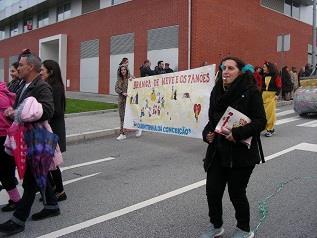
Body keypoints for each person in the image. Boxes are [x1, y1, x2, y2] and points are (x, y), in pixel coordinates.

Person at [200, 56, 266, 238]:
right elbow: (212, 121)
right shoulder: (216, 91)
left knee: (236, 192)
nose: (225, 72)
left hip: (241, 153)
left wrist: (236, 134)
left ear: (240, 72)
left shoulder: (250, 91)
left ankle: (243, 229)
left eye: (230, 68)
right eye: (223, 68)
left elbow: (261, 122)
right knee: (212, 191)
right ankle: (216, 226)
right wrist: (207, 134)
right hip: (217, 152)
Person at [0, 52, 59, 236]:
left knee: (31, 179)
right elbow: (21, 109)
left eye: (22, 65)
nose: (18, 68)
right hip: (25, 137)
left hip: (36, 138)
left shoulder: (41, 87)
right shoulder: (23, 86)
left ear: (31, 67)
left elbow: (48, 110)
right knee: (37, 173)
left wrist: (22, 114)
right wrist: (14, 111)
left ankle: (18, 220)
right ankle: (52, 205)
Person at [40, 60, 67, 201]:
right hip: (51, 127)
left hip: (54, 129)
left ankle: (60, 191)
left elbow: (57, 111)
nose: (40, 72)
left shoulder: (55, 87)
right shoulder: (50, 86)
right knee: (48, 161)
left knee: (52, 162)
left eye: (42, 70)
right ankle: (54, 189)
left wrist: (41, 112)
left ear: (50, 72)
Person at [0, 82, 21, 212]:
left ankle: (16, 200)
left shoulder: (1, 96)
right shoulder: (4, 92)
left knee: (4, 171)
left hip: (2, 136)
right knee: (6, 170)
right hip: (5, 136)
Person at [115, 65, 142, 140]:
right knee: (122, 117)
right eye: (121, 70)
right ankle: (122, 133)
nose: (123, 71)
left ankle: (138, 128)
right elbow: (116, 88)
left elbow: (137, 86)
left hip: (130, 101)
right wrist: (121, 92)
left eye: (124, 70)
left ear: (127, 70)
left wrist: (132, 80)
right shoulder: (119, 79)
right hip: (121, 100)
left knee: (132, 116)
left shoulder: (131, 77)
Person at [261, 61, 282, 137]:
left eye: (264, 67)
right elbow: (262, 87)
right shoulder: (264, 75)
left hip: (271, 96)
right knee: (263, 113)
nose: (263, 68)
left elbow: (279, 85)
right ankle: (265, 127)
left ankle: (270, 129)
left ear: (268, 68)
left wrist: (277, 94)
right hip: (264, 95)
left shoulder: (276, 75)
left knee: (270, 113)